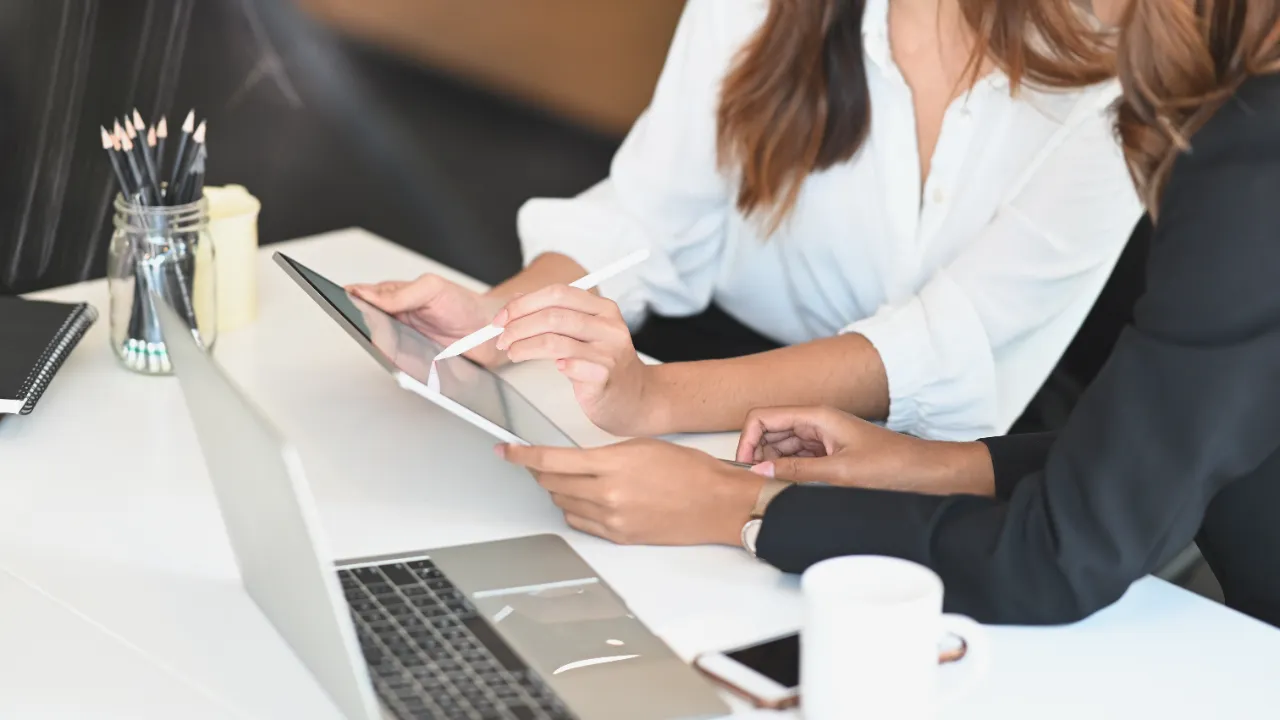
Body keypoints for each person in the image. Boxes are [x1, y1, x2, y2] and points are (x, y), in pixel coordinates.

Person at [496, 0, 1280, 629]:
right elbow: (1178, 441)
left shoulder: (1240, 150)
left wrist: (737, 505)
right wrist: (924, 468)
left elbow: (1058, 556)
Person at [351, 0, 1141, 442]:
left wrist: (655, 400)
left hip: (960, 459)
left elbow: (941, 345)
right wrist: (504, 320)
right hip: (720, 386)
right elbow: (649, 219)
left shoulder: (1123, 73)